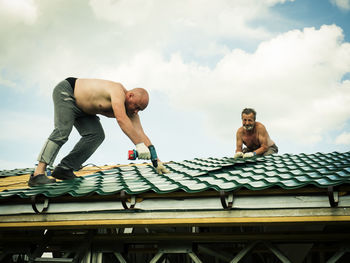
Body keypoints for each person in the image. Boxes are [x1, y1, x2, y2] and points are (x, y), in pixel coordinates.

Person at [28, 77, 168, 187]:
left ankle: (65, 168)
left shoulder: (132, 111)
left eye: (140, 110)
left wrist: (156, 160)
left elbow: (140, 133)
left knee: (96, 135)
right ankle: (37, 174)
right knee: (62, 131)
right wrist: (138, 144)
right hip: (68, 92)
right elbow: (121, 119)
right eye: (136, 106)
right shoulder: (117, 91)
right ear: (130, 95)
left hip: (84, 110)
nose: (136, 111)